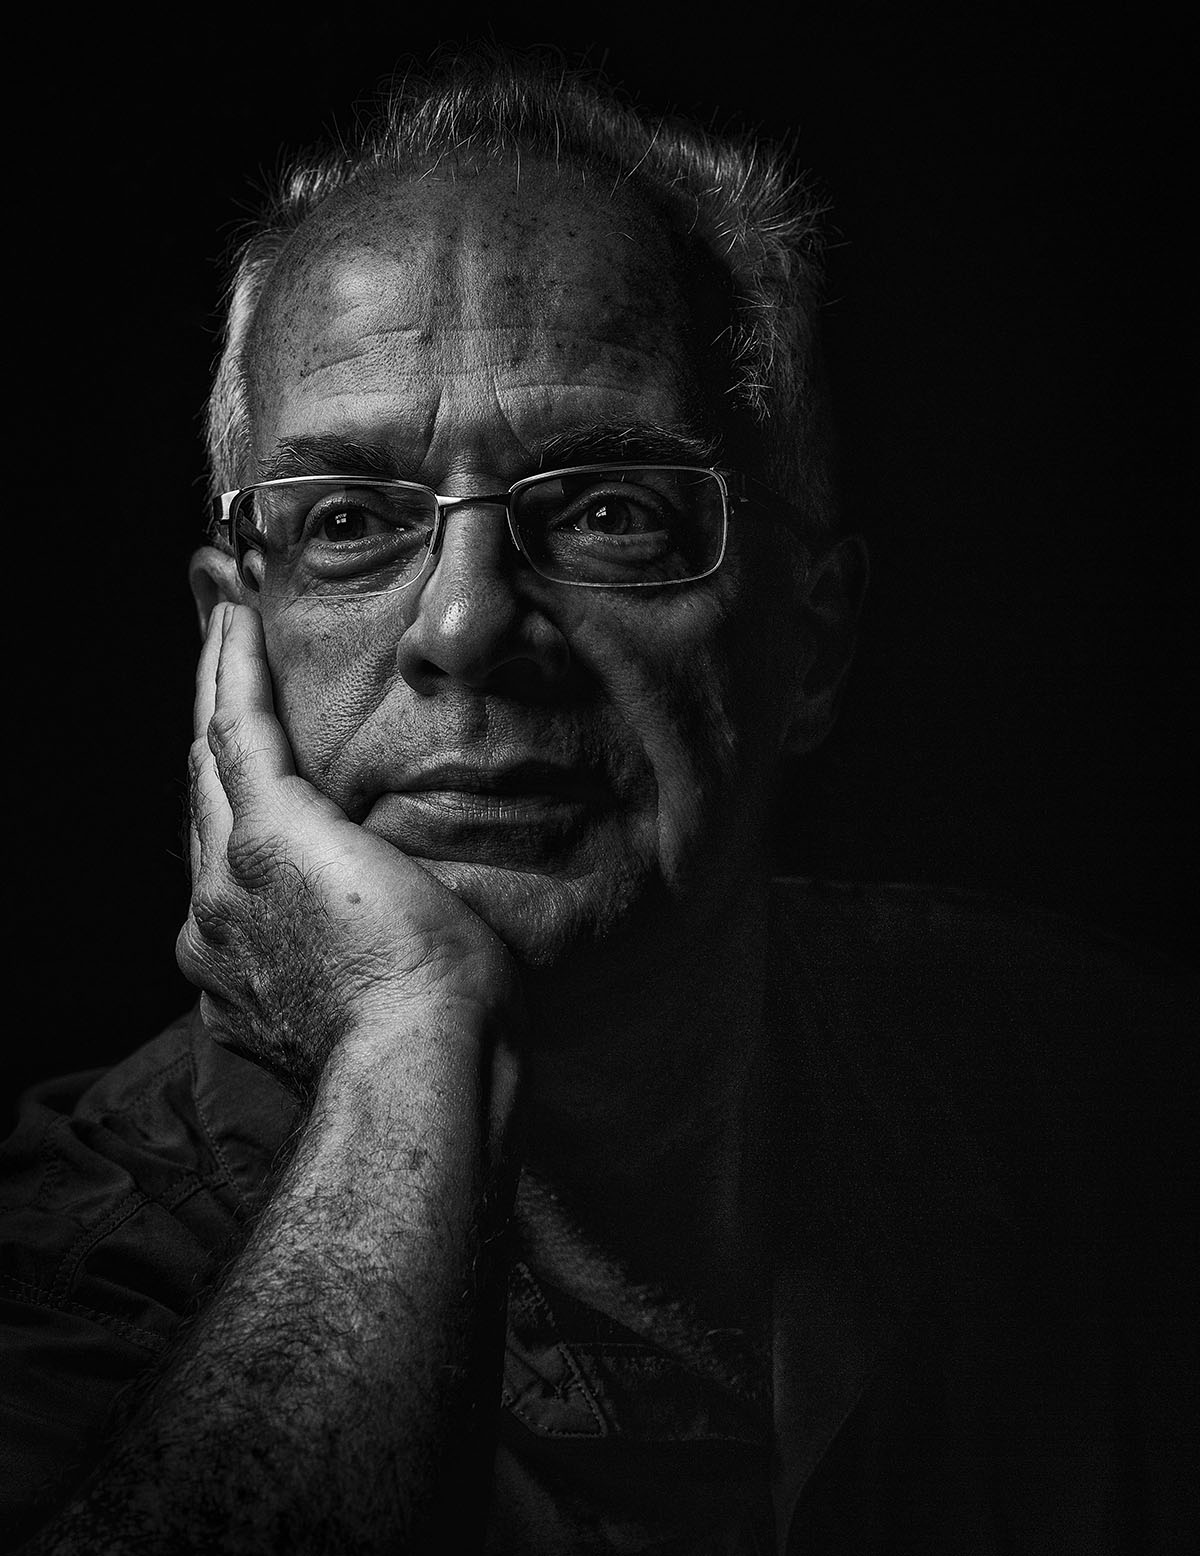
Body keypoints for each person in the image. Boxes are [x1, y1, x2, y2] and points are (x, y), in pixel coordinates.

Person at [1, 48, 1193, 1555]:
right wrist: (409, 1040)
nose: (465, 625)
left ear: (812, 642)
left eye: (611, 509)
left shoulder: (1113, 1102)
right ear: (229, 648)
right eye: (352, 519)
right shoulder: (73, 1255)